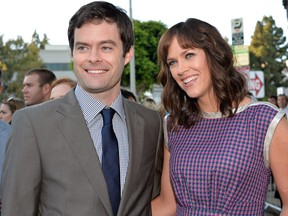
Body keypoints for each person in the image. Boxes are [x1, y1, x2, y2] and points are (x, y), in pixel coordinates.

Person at [1, 1, 163, 216]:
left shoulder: (152, 123)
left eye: (106, 47)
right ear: (72, 54)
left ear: (127, 54)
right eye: (83, 47)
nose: (93, 58)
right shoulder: (33, 124)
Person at [151, 18, 288, 215]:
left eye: (189, 55)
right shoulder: (174, 124)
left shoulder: (265, 119)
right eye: (172, 62)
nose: (180, 70)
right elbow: (167, 204)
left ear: (214, 54)